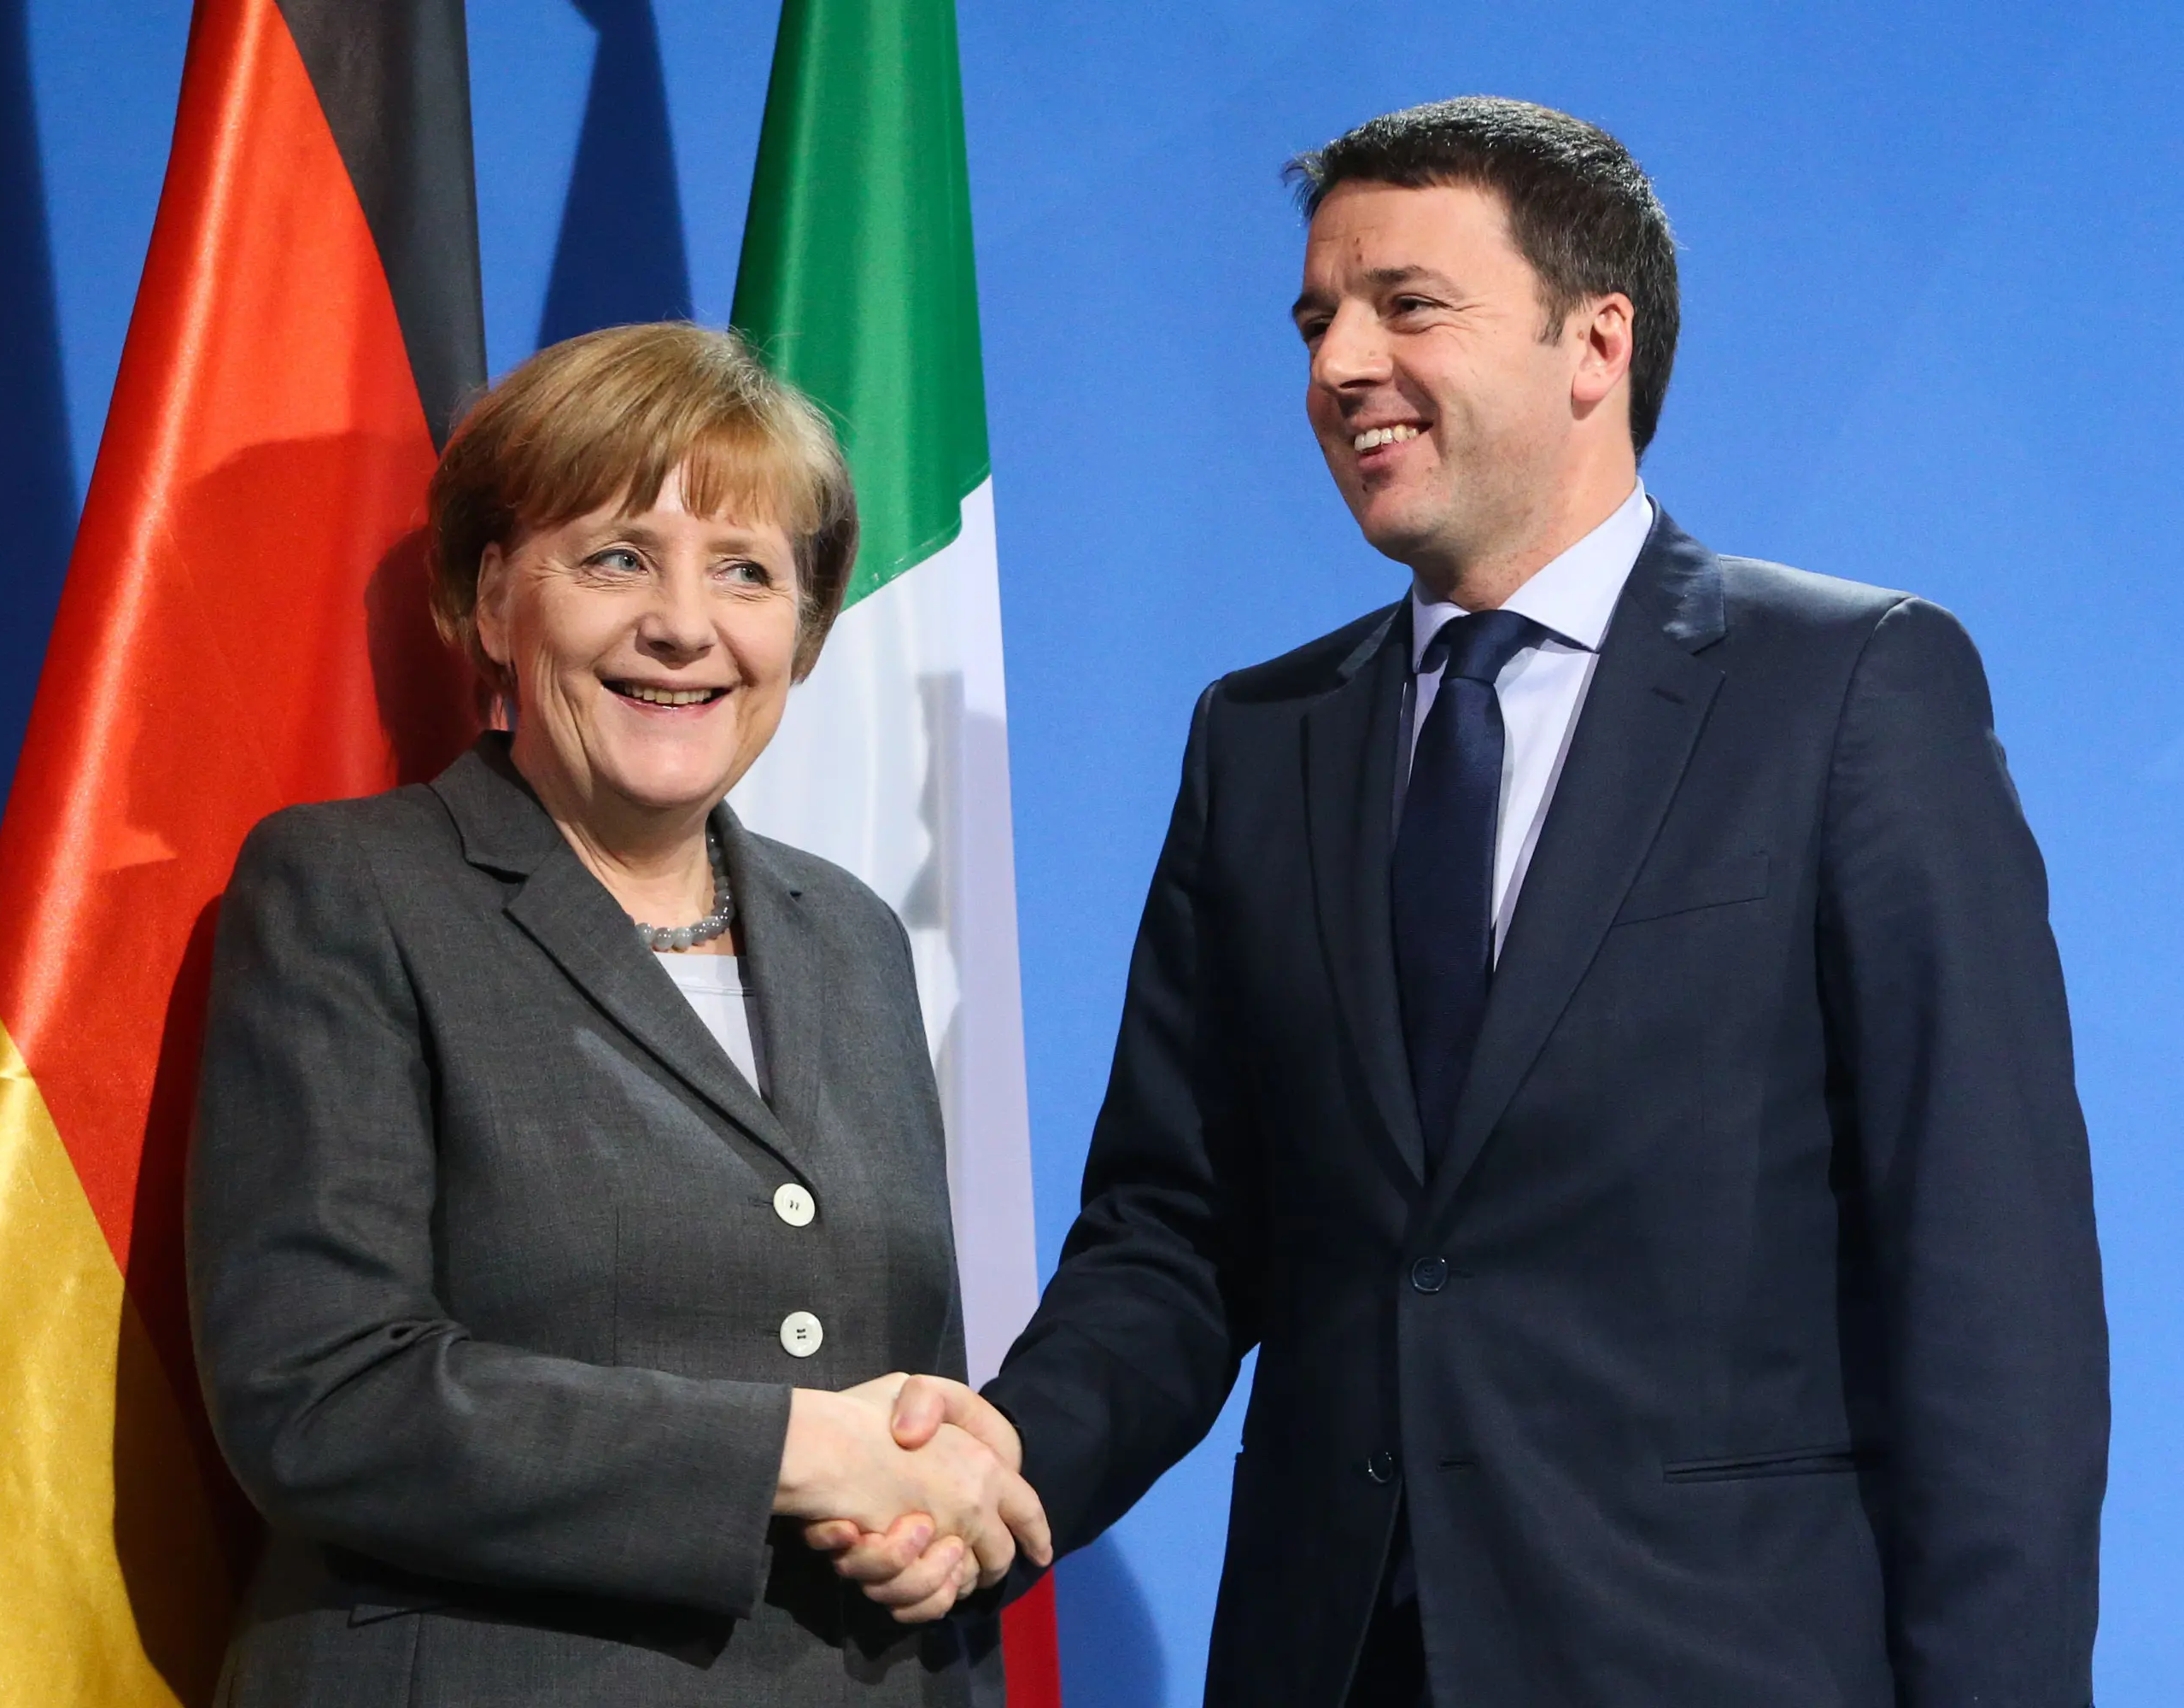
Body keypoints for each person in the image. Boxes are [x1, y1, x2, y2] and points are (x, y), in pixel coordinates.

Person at [820, 97, 2109, 1705]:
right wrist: (1006, 1456)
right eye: (1316, 320)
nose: (1337, 365)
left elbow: (1989, 1291)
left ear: (1597, 342)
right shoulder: (1262, 738)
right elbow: (1180, 1233)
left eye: (1406, 306)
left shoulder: (1849, 689)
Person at [186, 320, 1050, 1706]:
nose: (684, 625)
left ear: (805, 634)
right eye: (617, 558)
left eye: (747, 574)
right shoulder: (351, 891)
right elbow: (323, 1398)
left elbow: (896, 1384)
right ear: (489, 597)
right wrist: (794, 1451)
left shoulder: (854, 940)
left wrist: (928, 1519)